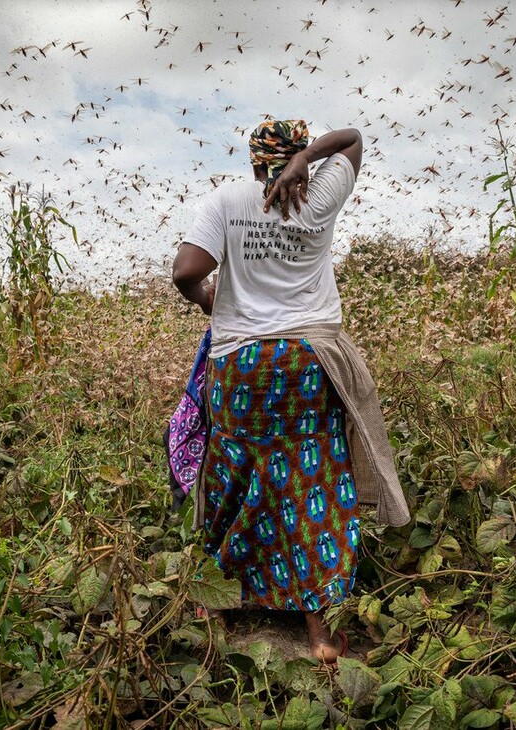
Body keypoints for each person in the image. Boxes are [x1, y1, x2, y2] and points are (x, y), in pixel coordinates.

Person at [173, 119, 409, 663]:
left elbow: (187, 271)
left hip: (242, 367)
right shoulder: (318, 194)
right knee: (310, 479)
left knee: (232, 471)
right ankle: (320, 634)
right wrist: (309, 160)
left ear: (254, 161)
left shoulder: (226, 200)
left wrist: (212, 302)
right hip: (308, 361)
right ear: (297, 157)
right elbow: (351, 137)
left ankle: (218, 604)